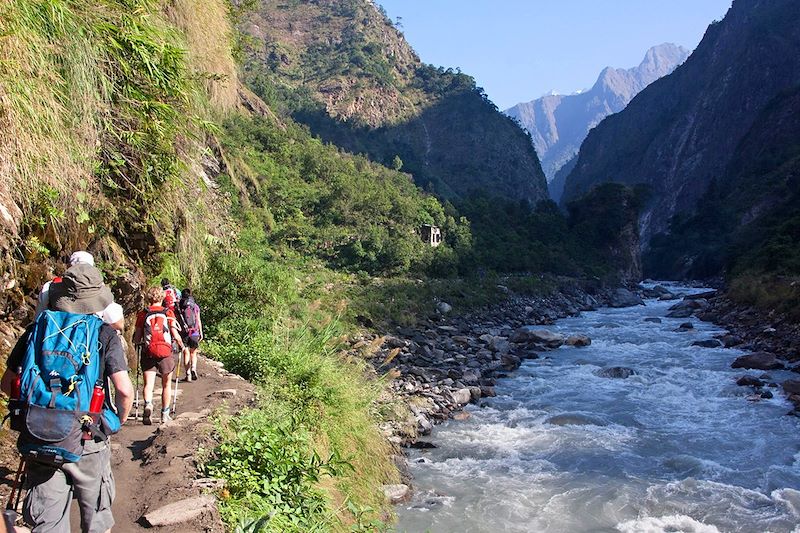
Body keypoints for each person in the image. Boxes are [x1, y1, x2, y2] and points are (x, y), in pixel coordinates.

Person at [1, 263, 134, 533]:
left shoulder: (35, 331)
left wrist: (42, 408)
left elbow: (7, 383)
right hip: (88, 437)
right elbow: (124, 390)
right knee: (96, 519)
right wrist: (115, 422)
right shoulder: (104, 333)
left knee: (46, 523)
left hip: (40, 438)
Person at [35, 251, 125, 334]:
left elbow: (38, 320)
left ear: (69, 267)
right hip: (88, 343)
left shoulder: (50, 287)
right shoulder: (99, 291)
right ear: (92, 268)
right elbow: (118, 324)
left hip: (52, 340)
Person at [133, 286, 184, 425]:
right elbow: (175, 333)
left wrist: (138, 344)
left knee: (148, 384)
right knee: (166, 384)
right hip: (165, 353)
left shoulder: (143, 314)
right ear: (162, 298)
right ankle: (164, 414)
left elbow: (137, 338)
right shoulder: (168, 313)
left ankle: (148, 404)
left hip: (148, 352)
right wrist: (181, 344)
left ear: (149, 298)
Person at [178, 288, 203, 382]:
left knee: (186, 352)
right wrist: (201, 332)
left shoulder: (180, 306)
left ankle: (188, 375)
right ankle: (193, 368)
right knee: (193, 352)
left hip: (184, 332)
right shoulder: (195, 306)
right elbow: (198, 319)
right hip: (195, 332)